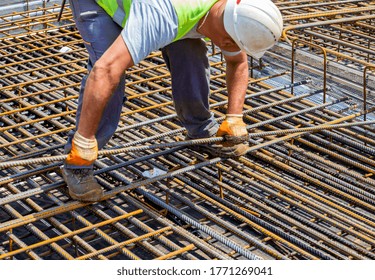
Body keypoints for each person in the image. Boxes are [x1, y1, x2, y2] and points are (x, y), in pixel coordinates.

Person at [61, 0, 283, 202]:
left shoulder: (233, 12)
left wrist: (234, 116)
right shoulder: (163, 15)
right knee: (110, 74)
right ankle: (78, 163)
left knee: (191, 49)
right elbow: (105, 71)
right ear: (227, 38)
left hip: (162, 9)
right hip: (102, 3)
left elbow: (237, 62)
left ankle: (200, 129)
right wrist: (84, 139)